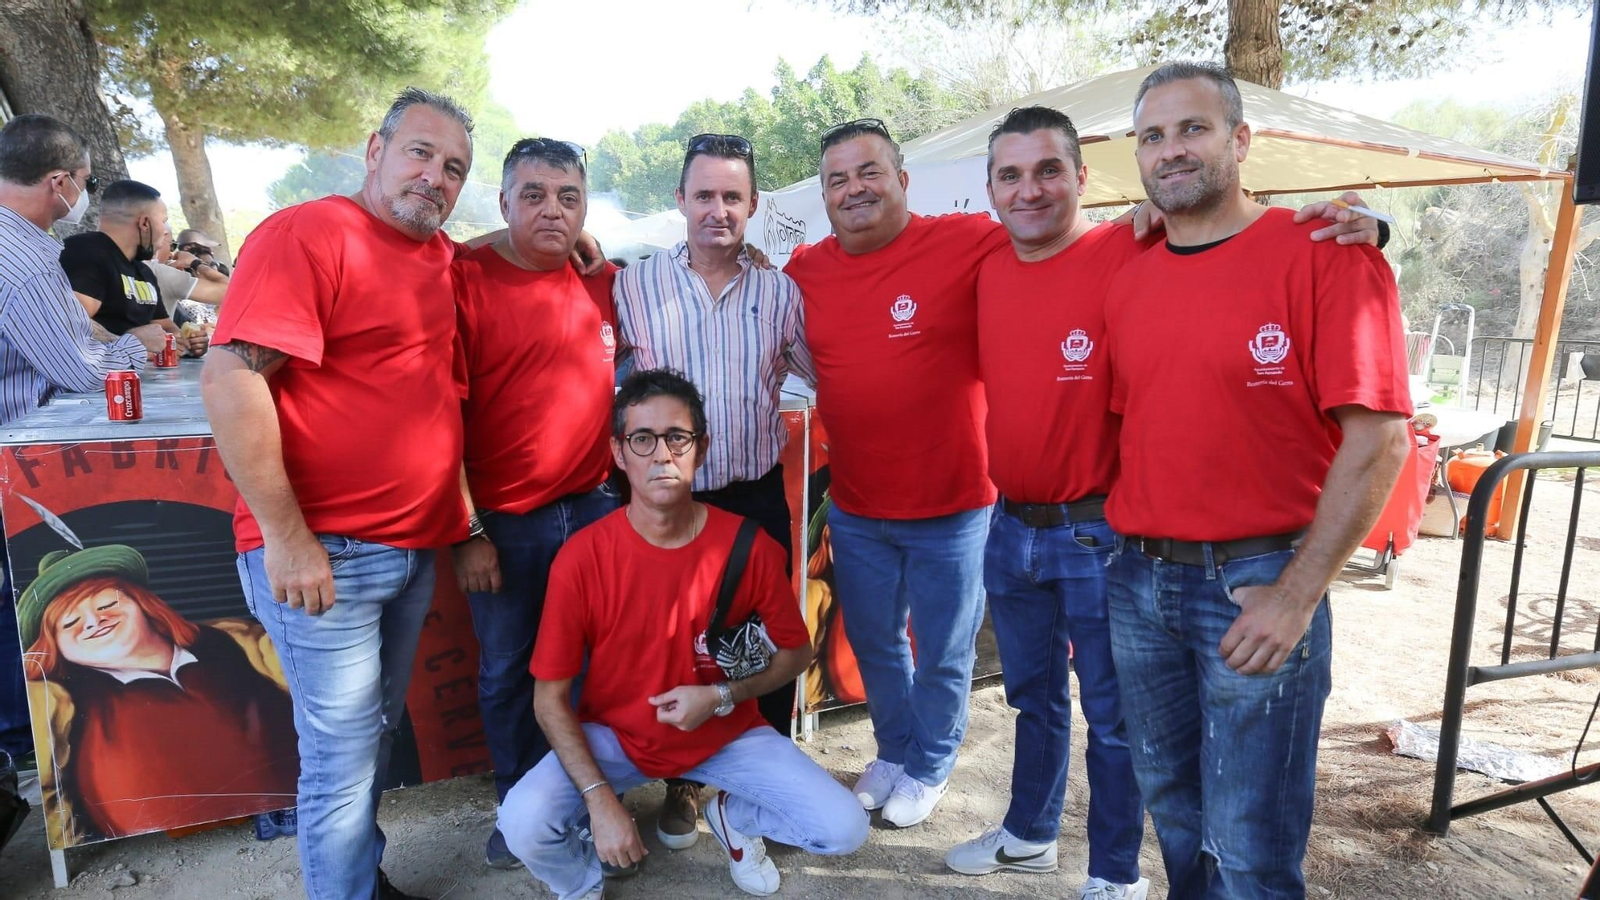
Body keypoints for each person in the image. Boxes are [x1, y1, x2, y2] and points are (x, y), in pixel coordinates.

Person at [1102, 63, 1412, 899]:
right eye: (1153, 136)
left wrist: (1297, 593)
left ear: (1242, 141)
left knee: (1252, 841)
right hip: (1138, 581)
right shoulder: (1128, 266)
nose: (1171, 151)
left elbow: (1381, 441)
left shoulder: (1327, 254)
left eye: (1192, 129)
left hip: (1255, 582)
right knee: (1173, 812)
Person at [202, 87, 481, 900]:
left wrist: (573, 233)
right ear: (374, 149)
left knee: (368, 742)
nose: (435, 177)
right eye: (421, 153)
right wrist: (289, 540)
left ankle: (355, 877)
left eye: (454, 168)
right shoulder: (309, 233)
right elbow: (230, 379)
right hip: (326, 557)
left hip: (406, 551)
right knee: (340, 757)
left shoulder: (435, 256)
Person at [498, 368, 867, 900]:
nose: (661, 455)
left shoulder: (750, 546)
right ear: (619, 454)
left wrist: (723, 695)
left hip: (725, 733)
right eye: (642, 439)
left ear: (701, 447)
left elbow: (796, 653)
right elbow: (548, 699)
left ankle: (731, 814)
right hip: (615, 737)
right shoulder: (582, 558)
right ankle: (581, 884)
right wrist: (600, 802)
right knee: (521, 824)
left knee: (844, 828)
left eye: (678, 437)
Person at [783, 118, 1010, 829]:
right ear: (824, 194)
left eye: (869, 172)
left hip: (955, 504)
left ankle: (932, 763)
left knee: (942, 651)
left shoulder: (969, 240)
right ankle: (894, 749)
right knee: (877, 641)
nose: (855, 188)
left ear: (903, 180)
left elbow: (1062, 244)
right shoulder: (805, 269)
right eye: (838, 179)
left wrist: (1145, 218)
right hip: (857, 504)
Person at [610, 132, 813, 846]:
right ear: (680, 201)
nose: (717, 210)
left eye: (732, 197)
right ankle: (684, 785)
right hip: (670, 504)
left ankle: (764, 782)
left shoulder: (782, 291)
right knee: (676, 648)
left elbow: (828, 371)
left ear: (753, 205)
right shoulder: (630, 286)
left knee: (765, 645)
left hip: (755, 495)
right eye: (704, 195)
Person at [452, 137, 620, 869]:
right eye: (533, 195)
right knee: (508, 670)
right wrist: (466, 530)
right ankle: (516, 805)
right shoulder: (462, 278)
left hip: (594, 510)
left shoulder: (601, 278)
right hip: (504, 523)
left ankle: (579, 799)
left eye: (568, 198)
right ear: (502, 202)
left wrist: (578, 239)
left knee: (592, 668)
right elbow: (436, 419)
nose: (553, 210)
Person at [0, 114, 156, 768]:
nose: (83, 198)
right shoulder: (27, 259)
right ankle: (26, 754)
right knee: (12, 611)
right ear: (59, 181)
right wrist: (136, 349)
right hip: (15, 456)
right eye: (84, 183)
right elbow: (78, 373)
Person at [17, 544, 298, 841]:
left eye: (106, 604)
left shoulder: (235, 642)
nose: (93, 621)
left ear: (142, 603)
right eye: (69, 622)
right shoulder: (63, 704)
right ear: (53, 647)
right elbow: (55, 793)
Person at [58, 180, 205, 355]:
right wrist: (129, 343)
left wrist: (189, 342)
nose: (166, 231)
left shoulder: (143, 271)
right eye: (163, 221)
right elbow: (68, 323)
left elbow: (165, 326)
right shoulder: (86, 253)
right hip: (103, 380)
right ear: (144, 223)